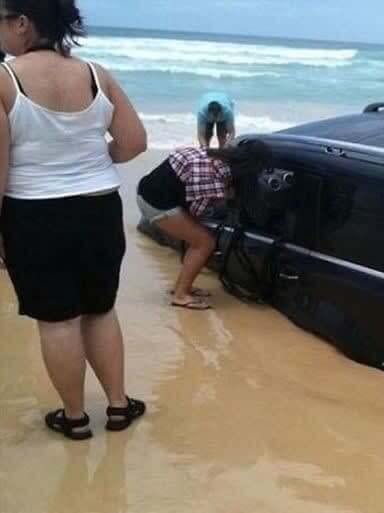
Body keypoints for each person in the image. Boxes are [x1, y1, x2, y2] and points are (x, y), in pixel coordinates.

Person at [0, 0, 147, 440]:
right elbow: (134, 142)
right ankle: (119, 407)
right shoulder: (96, 74)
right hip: (99, 207)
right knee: (100, 310)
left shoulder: (5, 80)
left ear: (23, 23)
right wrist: (94, 159)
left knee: (58, 320)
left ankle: (76, 417)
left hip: (35, 213)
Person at [136, 141, 270, 310]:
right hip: (155, 204)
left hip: (149, 189)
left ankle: (182, 287)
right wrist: (224, 196)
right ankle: (181, 295)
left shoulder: (214, 156)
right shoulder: (212, 178)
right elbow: (197, 212)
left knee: (199, 239)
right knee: (204, 243)